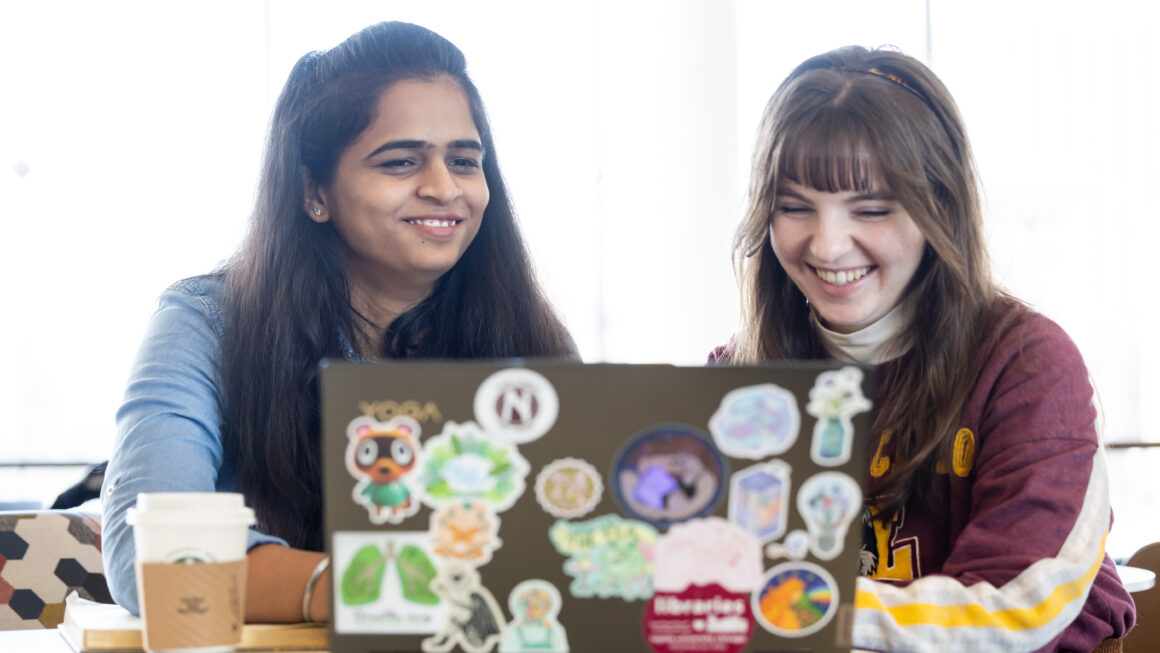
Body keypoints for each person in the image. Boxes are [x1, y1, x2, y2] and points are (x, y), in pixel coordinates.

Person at [102, 21, 576, 623]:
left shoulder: (529, 335)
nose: (443, 188)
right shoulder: (205, 324)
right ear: (313, 191)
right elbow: (151, 559)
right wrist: (373, 587)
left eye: (464, 160)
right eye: (401, 162)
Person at [712, 46, 1135, 651]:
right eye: (794, 207)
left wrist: (784, 609)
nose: (827, 246)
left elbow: (1018, 606)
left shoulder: (1026, 366)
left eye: (873, 209)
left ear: (940, 206)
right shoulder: (736, 379)